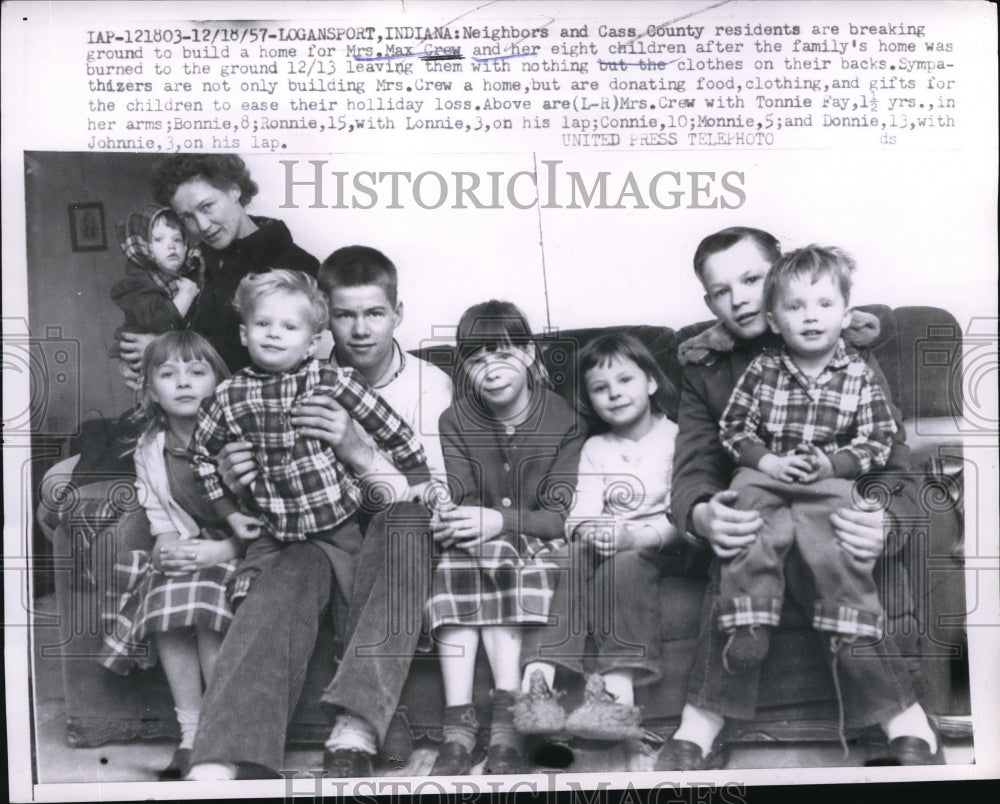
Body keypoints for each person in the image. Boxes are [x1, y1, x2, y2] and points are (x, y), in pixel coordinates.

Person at [658, 227, 942, 770]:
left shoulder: (842, 346)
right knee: (745, 524)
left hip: (832, 496)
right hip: (758, 497)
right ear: (708, 301)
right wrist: (700, 513)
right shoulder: (705, 366)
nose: (738, 297)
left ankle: (901, 716)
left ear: (781, 277)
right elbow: (695, 461)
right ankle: (703, 717)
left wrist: (886, 518)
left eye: (751, 279)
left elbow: (892, 453)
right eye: (721, 290)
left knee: (823, 534)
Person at [189, 247, 453, 780]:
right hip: (307, 532)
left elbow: (433, 491)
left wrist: (357, 452)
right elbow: (241, 469)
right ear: (324, 323)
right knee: (288, 570)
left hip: (386, 529)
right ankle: (226, 754)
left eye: (374, 313)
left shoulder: (428, 385)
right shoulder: (278, 378)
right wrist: (233, 482)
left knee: (404, 521)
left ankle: (356, 724)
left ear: (397, 314)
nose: (359, 330)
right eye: (344, 315)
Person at [190, 269, 430, 606]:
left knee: (356, 596)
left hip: (335, 522)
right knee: (248, 596)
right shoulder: (227, 395)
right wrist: (228, 511)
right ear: (244, 334)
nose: (274, 334)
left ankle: (345, 650)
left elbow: (390, 428)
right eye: (263, 325)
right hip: (271, 526)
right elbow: (201, 456)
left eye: (289, 327)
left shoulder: (332, 380)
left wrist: (418, 477)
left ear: (312, 342)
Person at [423, 300, 588, 776]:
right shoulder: (455, 421)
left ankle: (506, 723)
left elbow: (558, 517)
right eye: (476, 360)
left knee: (499, 554)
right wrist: (449, 514)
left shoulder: (567, 420)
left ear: (531, 354)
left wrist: (499, 522)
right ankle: (458, 724)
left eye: (503, 354)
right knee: (459, 557)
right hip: (482, 539)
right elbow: (463, 494)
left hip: (539, 541)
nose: (490, 369)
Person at [716, 245, 897, 670]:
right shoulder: (762, 370)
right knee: (744, 506)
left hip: (827, 477)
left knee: (845, 523)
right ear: (775, 322)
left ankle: (849, 626)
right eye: (795, 307)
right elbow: (733, 428)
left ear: (846, 315)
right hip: (769, 473)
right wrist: (768, 462)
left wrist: (834, 465)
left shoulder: (859, 374)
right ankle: (749, 623)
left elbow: (880, 437)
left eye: (824, 304)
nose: (811, 316)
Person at [514, 333, 681, 743]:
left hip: (665, 542)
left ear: (652, 383)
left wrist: (634, 536)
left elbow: (684, 513)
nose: (615, 394)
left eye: (626, 381)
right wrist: (594, 531)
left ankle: (616, 695)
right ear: (589, 399)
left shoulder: (679, 437)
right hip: (607, 540)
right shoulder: (594, 447)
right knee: (568, 556)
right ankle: (537, 683)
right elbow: (579, 514)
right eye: (600, 388)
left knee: (623, 565)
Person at [96, 331, 242, 781]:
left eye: (196, 373)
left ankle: (220, 735)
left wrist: (223, 548)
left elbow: (271, 516)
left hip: (247, 546)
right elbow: (159, 515)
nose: (183, 382)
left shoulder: (238, 438)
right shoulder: (149, 448)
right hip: (193, 542)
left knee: (202, 598)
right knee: (168, 592)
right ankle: (191, 734)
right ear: (151, 391)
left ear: (219, 384)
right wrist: (165, 549)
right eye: (168, 374)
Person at [120, 153, 318, 378]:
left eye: (206, 206)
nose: (202, 226)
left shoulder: (294, 264)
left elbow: (262, 357)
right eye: (187, 217)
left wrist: (162, 351)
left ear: (234, 190)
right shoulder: (192, 261)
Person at [107, 205, 202, 358]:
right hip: (145, 361)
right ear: (141, 247)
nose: (171, 245)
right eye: (158, 239)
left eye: (177, 239)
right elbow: (159, 323)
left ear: (185, 247)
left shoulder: (187, 276)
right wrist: (186, 296)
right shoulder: (136, 283)